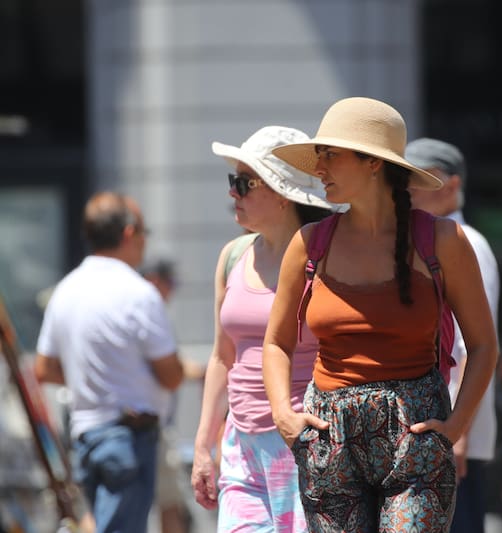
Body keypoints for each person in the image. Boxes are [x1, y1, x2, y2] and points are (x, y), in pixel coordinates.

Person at [261, 96, 498, 532]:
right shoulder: (310, 243)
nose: (319, 168)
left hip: (417, 437)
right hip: (327, 439)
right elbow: (276, 342)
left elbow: (484, 345)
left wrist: (456, 425)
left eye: (330, 155)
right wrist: (285, 416)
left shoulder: (441, 240)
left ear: (372, 162)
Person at [190, 125, 338, 532]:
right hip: (241, 445)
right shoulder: (233, 256)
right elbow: (223, 355)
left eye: (243, 183)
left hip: (304, 442)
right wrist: (204, 444)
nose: (232, 193)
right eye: (232, 182)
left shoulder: (326, 260)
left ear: (281, 191)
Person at [34, 191, 184, 533]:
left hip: (85, 435)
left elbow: (44, 368)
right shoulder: (138, 293)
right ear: (129, 233)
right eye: (145, 232)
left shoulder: (66, 290)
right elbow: (172, 375)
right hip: (129, 436)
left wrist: (92, 375)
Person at [404, 137, 501, 533]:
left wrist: (458, 432)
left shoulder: (467, 242)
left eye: (424, 178)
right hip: (438, 433)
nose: (410, 188)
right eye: (406, 178)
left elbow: (473, 346)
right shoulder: (425, 241)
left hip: (454, 438)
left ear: (454, 185)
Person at [139, 258, 204, 533]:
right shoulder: (146, 310)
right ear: (155, 280)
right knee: (171, 504)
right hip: (149, 426)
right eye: (171, 283)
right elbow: (168, 370)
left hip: (135, 426)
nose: (173, 291)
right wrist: (200, 372)